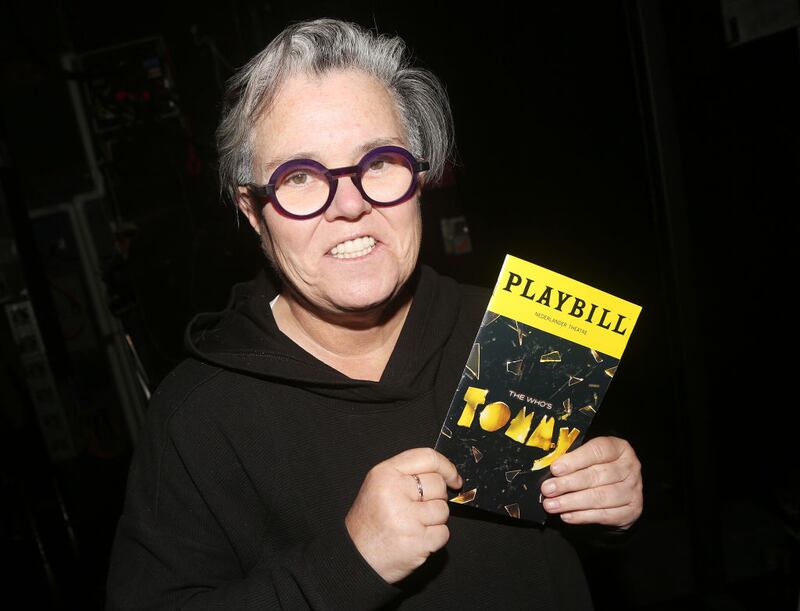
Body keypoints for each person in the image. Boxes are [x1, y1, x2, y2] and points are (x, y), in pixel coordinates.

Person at [106, 17, 642, 609]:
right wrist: (347, 564)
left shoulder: (519, 338)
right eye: (301, 176)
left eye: (379, 161)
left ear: (419, 177)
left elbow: (566, 549)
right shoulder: (196, 419)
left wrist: (607, 508)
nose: (352, 204)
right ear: (253, 213)